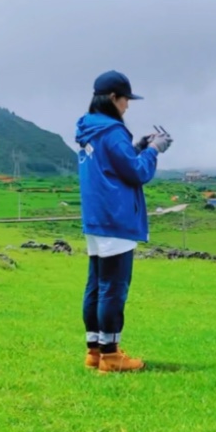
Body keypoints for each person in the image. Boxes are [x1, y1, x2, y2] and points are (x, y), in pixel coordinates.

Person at [74, 70, 172, 373]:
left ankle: (96, 351)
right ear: (113, 99)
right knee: (114, 288)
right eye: (126, 99)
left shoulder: (89, 129)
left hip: (96, 217)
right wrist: (154, 151)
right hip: (115, 218)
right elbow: (136, 173)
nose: (128, 105)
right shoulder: (112, 131)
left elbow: (114, 164)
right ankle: (113, 357)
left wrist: (138, 148)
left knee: (96, 285)